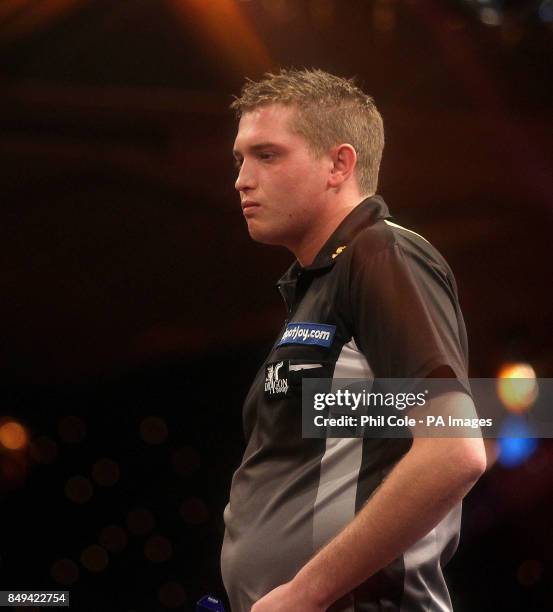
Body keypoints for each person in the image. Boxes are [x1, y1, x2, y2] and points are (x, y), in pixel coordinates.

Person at [221, 68, 486, 612]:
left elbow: (455, 450)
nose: (242, 179)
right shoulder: (321, 285)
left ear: (340, 164)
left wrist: (305, 593)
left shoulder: (381, 253)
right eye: (240, 159)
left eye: (266, 155)